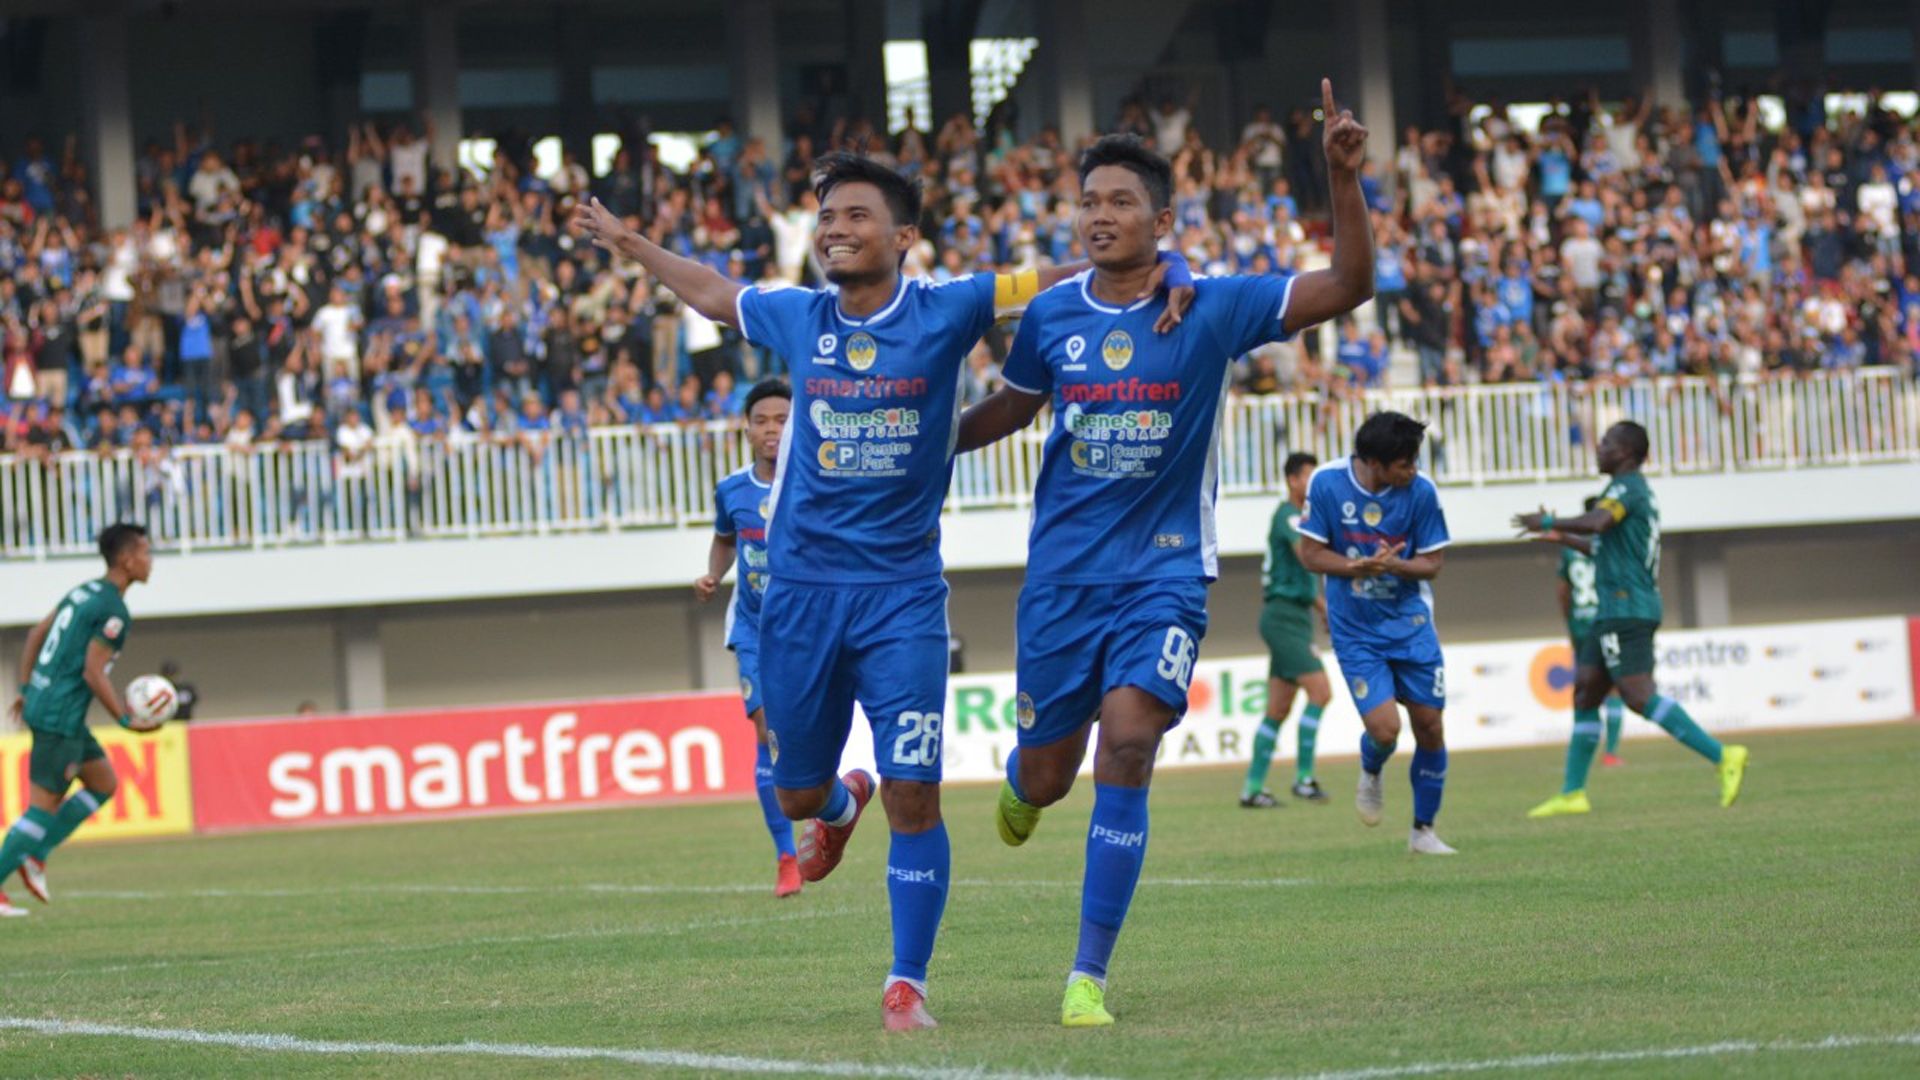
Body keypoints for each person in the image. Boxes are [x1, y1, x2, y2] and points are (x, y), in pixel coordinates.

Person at [570, 150, 1190, 1031]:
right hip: (799, 598)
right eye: (825, 219)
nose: (834, 230)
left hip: (903, 596)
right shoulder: (797, 317)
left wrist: (1175, 265)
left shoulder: (954, 306)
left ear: (904, 238)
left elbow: (1073, 272)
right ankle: (835, 802)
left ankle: (908, 984)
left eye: (855, 216)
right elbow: (711, 291)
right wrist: (630, 240)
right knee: (795, 798)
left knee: (916, 793)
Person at [955, 79, 1374, 1027]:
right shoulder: (1054, 314)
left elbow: (1348, 287)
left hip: (1166, 574)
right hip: (1061, 580)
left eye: (1121, 202)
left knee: (1132, 743)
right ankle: (1024, 785)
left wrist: (1340, 178)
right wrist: (924, 447)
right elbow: (1015, 410)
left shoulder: (1213, 307)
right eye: (1089, 202)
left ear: (1163, 218)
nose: (1100, 217)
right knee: (1052, 772)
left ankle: (1086, 976)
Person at [1514, 422, 1749, 815]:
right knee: (1586, 689)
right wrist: (1561, 539)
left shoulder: (1628, 488)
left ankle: (1724, 755)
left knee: (1638, 695)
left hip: (1628, 607)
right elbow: (1601, 543)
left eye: (1606, 443)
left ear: (1624, 452)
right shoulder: (1622, 490)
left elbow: (1598, 523)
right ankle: (1573, 793)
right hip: (1611, 609)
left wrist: (1552, 523)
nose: (1599, 448)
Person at [1296, 411, 1456, 856]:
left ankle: (1423, 831)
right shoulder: (1326, 483)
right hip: (1356, 628)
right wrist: (1353, 567)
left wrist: (1393, 566)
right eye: (1404, 463)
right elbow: (1310, 554)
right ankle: (1372, 768)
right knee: (1386, 730)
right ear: (1374, 462)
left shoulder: (1422, 492)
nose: (1412, 471)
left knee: (1429, 725)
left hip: (1411, 624)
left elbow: (1434, 565)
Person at [0, 524, 156, 915]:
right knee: (42, 806)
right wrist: (123, 718)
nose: (150, 561)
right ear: (126, 559)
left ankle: (36, 854)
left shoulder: (83, 591)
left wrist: (24, 687)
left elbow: (38, 632)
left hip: (44, 701)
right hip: (60, 716)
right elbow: (92, 671)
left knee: (104, 782)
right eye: (146, 552)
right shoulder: (114, 610)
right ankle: (20, 860)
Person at [694, 378, 799, 899]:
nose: (772, 429)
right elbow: (723, 538)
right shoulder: (732, 489)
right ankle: (786, 855)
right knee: (764, 732)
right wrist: (713, 574)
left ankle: (825, 813)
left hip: (807, 626)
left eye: (782, 419)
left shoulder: (813, 479)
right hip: (753, 628)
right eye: (762, 421)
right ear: (748, 429)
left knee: (800, 736)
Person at [1243, 452, 1334, 807]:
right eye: (1308, 477)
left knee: (1278, 709)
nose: (1312, 484)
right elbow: (1307, 555)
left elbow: (1305, 575)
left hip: (1292, 616)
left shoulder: (1299, 518)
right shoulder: (1289, 516)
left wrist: (1323, 607)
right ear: (1292, 480)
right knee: (1321, 692)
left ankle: (1252, 788)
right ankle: (1304, 779)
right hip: (1283, 617)